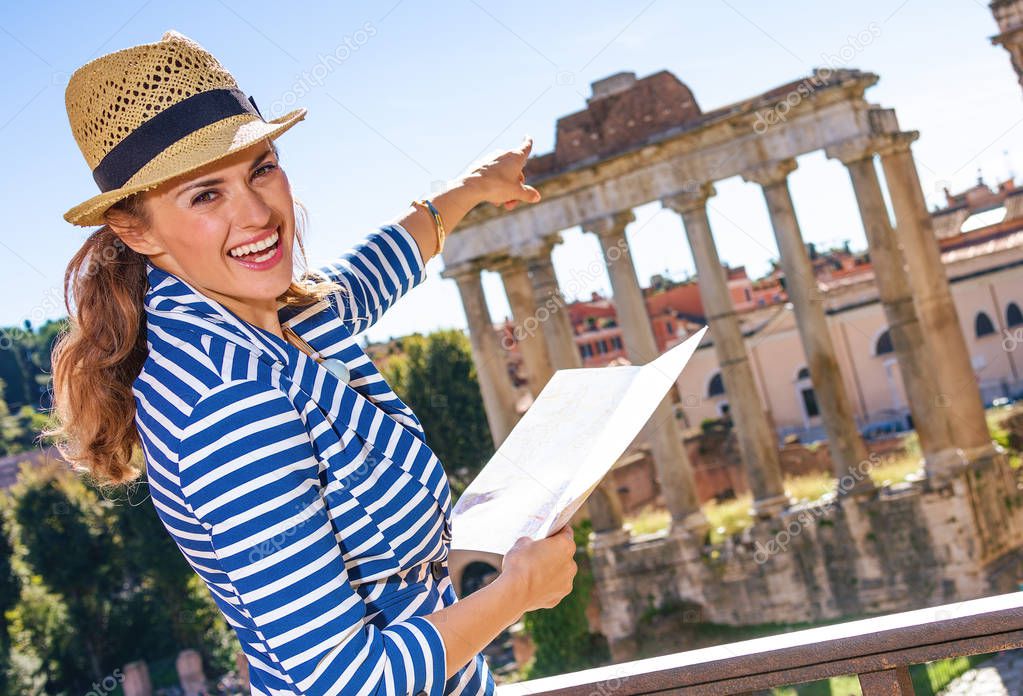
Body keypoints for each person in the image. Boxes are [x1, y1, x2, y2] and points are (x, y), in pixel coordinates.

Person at [50, 29, 578, 695]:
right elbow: (342, 682)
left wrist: (473, 188)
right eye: (205, 195)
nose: (257, 214)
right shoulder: (227, 400)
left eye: (260, 168)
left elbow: (370, 271)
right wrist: (517, 593)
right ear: (136, 230)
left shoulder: (269, 316)